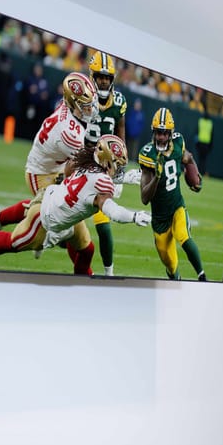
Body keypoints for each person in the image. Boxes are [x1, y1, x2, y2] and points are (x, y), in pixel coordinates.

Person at [0, 135, 151, 275]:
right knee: (12, 243)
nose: (118, 168)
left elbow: (72, 173)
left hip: (54, 198)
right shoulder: (101, 183)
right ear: (106, 161)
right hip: (46, 220)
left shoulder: (88, 159)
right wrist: (134, 216)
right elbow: (112, 210)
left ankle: (83, 287)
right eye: (117, 164)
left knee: (87, 250)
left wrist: (123, 178)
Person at [0, 71, 99, 239]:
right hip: (40, 172)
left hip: (54, 164)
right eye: (85, 105)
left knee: (54, 209)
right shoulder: (70, 133)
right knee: (60, 220)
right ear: (73, 103)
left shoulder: (67, 107)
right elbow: (83, 165)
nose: (91, 109)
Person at [138, 108, 207, 281]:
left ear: (170, 133)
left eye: (164, 133)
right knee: (170, 264)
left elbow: (188, 157)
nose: (161, 137)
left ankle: (202, 277)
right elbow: (144, 198)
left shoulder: (177, 143)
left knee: (184, 236)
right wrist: (156, 177)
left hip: (176, 206)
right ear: (153, 132)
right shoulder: (148, 154)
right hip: (159, 220)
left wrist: (195, 176)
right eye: (158, 132)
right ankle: (176, 281)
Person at [85, 50, 130, 276]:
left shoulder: (119, 101)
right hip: (81, 162)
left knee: (103, 225)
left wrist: (120, 167)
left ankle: (109, 274)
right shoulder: (83, 97)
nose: (104, 81)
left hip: (103, 168)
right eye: (100, 76)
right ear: (92, 76)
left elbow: (120, 131)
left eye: (107, 77)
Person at [196, 113, 213, 177]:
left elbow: (197, 131)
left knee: (200, 158)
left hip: (200, 143)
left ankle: (198, 171)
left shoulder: (201, 121)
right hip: (206, 144)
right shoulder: (210, 123)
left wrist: (196, 143)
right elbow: (212, 134)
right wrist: (211, 145)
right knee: (204, 159)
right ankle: (202, 172)